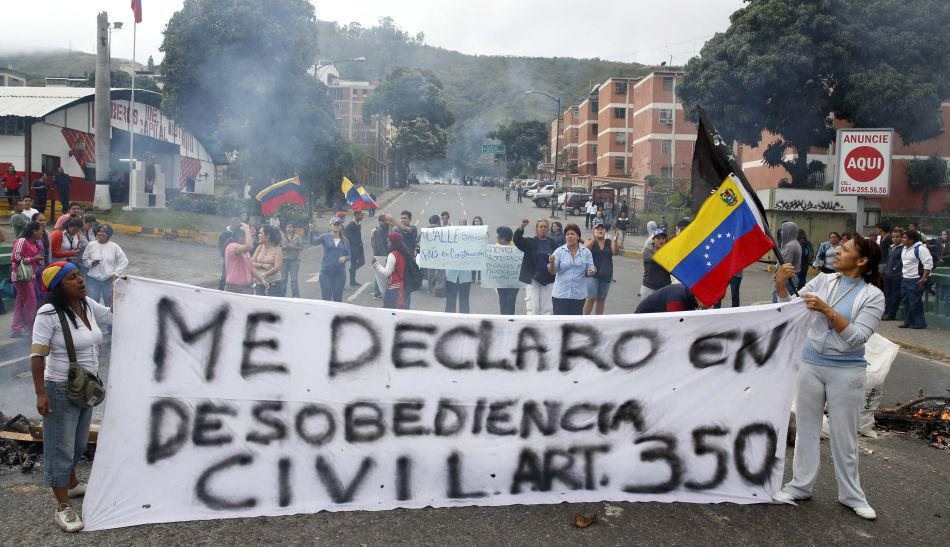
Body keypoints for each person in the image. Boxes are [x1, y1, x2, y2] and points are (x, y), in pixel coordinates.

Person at [772, 234, 885, 521]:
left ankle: (852, 495)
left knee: (844, 436)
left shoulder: (872, 295)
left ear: (861, 261)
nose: (837, 251)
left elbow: (857, 337)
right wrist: (781, 285)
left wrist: (826, 310)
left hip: (846, 372)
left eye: (845, 249)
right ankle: (799, 486)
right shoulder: (824, 280)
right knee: (806, 429)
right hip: (810, 365)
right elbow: (794, 312)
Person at [30, 261, 112, 532]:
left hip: (86, 388)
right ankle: (63, 507)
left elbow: (112, 316)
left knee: (77, 444)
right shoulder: (49, 313)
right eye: (72, 278)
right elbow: (37, 355)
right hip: (60, 389)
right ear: (58, 286)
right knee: (59, 449)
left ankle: (73, 484)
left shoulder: (87, 304)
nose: (80, 280)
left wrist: (125, 290)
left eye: (79, 275)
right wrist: (41, 393)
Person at [548, 223, 596, 315]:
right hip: (561, 294)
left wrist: (591, 271)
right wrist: (552, 263)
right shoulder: (559, 251)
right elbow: (552, 271)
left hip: (578, 295)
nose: (569, 236)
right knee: (561, 324)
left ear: (578, 237)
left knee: (575, 325)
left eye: (572, 234)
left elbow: (591, 267)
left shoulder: (586, 252)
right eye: (567, 234)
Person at [514, 218, 556, 315]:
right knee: (533, 308)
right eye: (541, 227)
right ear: (537, 229)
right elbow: (517, 240)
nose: (543, 229)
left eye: (545, 227)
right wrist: (522, 227)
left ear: (548, 230)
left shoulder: (553, 244)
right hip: (533, 279)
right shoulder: (530, 242)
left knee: (547, 309)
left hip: (548, 279)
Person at [11, 222, 45, 337]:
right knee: (31, 302)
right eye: (41, 230)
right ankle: (29, 327)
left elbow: (32, 258)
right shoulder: (22, 241)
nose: (43, 232)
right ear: (34, 231)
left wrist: (37, 260)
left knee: (20, 302)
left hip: (31, 276)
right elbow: (15, 257)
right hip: (22, 277)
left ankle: (17, 328)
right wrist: (33, 258)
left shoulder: (36, 243)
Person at [81, 224, 127, 307]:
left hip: (108, 280)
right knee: (92, 303)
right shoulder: (91, 245)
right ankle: (93, 319)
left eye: (104, 232)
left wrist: (116, 273)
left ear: (109, 234)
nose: (100, 233)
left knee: (109, 303)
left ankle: (109, 319)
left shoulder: (114, 247)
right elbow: (84, 259)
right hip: (92, 280)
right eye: (99, 231)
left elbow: (124, 261)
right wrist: (91, 263)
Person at [898, 229, 932, 329]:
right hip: (906, 278)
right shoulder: (904, 248)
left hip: (916, 278)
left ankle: (920, 322)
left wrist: (923, 279)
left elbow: (928, 264)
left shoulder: (921, 249)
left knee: (915, 301)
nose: (902, 239)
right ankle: (907, 321)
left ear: (911, 240)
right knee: (906, 301)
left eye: (904, 238)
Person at [584, 221, 618, 315]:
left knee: (601, 299)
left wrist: (615, 241)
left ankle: (598, 320)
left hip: (606, 274)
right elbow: (585, 250)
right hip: (592, 274)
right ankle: (585, 319)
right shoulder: (590, 240)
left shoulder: (609, 242)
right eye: (598, 229)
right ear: (594, 231)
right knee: (591, 298)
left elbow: (615, 251)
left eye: (602, 229)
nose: (600, 230)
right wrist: (594, 239)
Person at [373, 231, 413, 310]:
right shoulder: (404, 254)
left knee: (388, 315)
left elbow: (387, 273)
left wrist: (376, 264)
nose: (388, 243)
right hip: (404, 289)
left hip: (394, 291)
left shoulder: (393, 255)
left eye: (389, 241)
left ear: (393, 242)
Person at [314, 216, 349, 302]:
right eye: (334, 224)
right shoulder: (325, 237)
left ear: (341, 226)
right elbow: (313, 241)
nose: (336, 226)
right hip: (326, 272)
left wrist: (345, 257)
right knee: (326, 299)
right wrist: (311, 230)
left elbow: (350, 255)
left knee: (338, 299)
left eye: (338, 224)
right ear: (331, 226)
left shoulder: (344, 240)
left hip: (339, 273)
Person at [224, 223, 263, 294]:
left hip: (246, 288)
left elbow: (250, 266)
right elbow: (249, 246)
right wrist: (247, 229)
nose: (250, 238)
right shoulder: (231, 247)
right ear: (241, 237)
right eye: (248, 236)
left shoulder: (245, 251)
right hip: (234, 289)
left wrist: (260, 278)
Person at [251, 225, 284, 297]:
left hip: (274, 285)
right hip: (259, 285)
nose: (258, 235)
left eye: (260, 233)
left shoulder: (277, 249)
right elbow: (251, 263)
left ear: (268, 235)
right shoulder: (259, 248)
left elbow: (277, 267)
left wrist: (264, 275)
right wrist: (262, 265)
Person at [494, 226, 520, 315]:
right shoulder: (495, 247)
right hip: (501, 281)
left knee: (511, 302)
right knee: (503, 301)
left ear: (503, 239)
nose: (496, 238)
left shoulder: (516, 247)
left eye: (498, 236)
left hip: (514, 282)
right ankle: (503, 319)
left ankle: (510, 320)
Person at [881, 227, 904, 320]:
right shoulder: (891, 247)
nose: (895, 238)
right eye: (893, 237)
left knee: (895, 295)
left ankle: (891, 314)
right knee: (887, 295)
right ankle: (886, 312)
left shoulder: (903, 248)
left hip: (897, 275)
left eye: (897, 237)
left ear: (902, 238)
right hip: (888, 274)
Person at [641, 229, 670, 300]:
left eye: (663, 238)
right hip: (649, 287)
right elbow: (653, 259)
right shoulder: (647, 250)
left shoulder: (668, 250)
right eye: (658, 238)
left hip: (664, 288)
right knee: (646, 310)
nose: (661, 240)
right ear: (653, 240)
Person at [636, 283, 701, 313]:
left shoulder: (691, 295)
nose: (709, 305)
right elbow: (676, 322)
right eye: (707, 301)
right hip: (644, 316)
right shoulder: (677, 299)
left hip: (662, 312)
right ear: (698, 296)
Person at [217, 218, 242, 290]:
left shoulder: (239, 233)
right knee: (225, 277)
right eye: (237, 224)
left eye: (239, 224)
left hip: (237, 258)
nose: (238, 226)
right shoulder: (225, 234)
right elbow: (222, 249)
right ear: (232, 224)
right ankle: (220, 292)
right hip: (228, 259)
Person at [280, 222, 304, 298]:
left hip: (295, 261)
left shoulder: (297, 237)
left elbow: (301, 248)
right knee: (283, 279)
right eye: (287, 227)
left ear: (293, 228)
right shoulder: (282, 237)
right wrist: (285, 247)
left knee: (294, 280)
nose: (288, 228)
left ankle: (296, 296)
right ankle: (282, 296)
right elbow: (279, 248)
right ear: (285, 228)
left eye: (290, 227)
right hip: (284, 261)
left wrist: (292, 246)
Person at [370, 215, 390, 299]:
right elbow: (380, 244)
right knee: (380, 274)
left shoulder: (384, 229)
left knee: (379, 274)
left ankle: (377, 292)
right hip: (380, 255)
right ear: (381, 221)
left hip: (382, 254)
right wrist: (386, 256)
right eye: (386, 221)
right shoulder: (378, 231)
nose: (388, 222)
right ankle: (377, 293)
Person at [344, 210, 366, 287]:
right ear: (356, 215)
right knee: (354, 264)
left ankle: (352, 271)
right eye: (361, 215)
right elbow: (346, 236)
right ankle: (352, 281)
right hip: (353, 248)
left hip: (359, 247)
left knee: (362, 262)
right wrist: (351, 247)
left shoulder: (358, 224)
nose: (362, 216)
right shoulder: (351, 225)